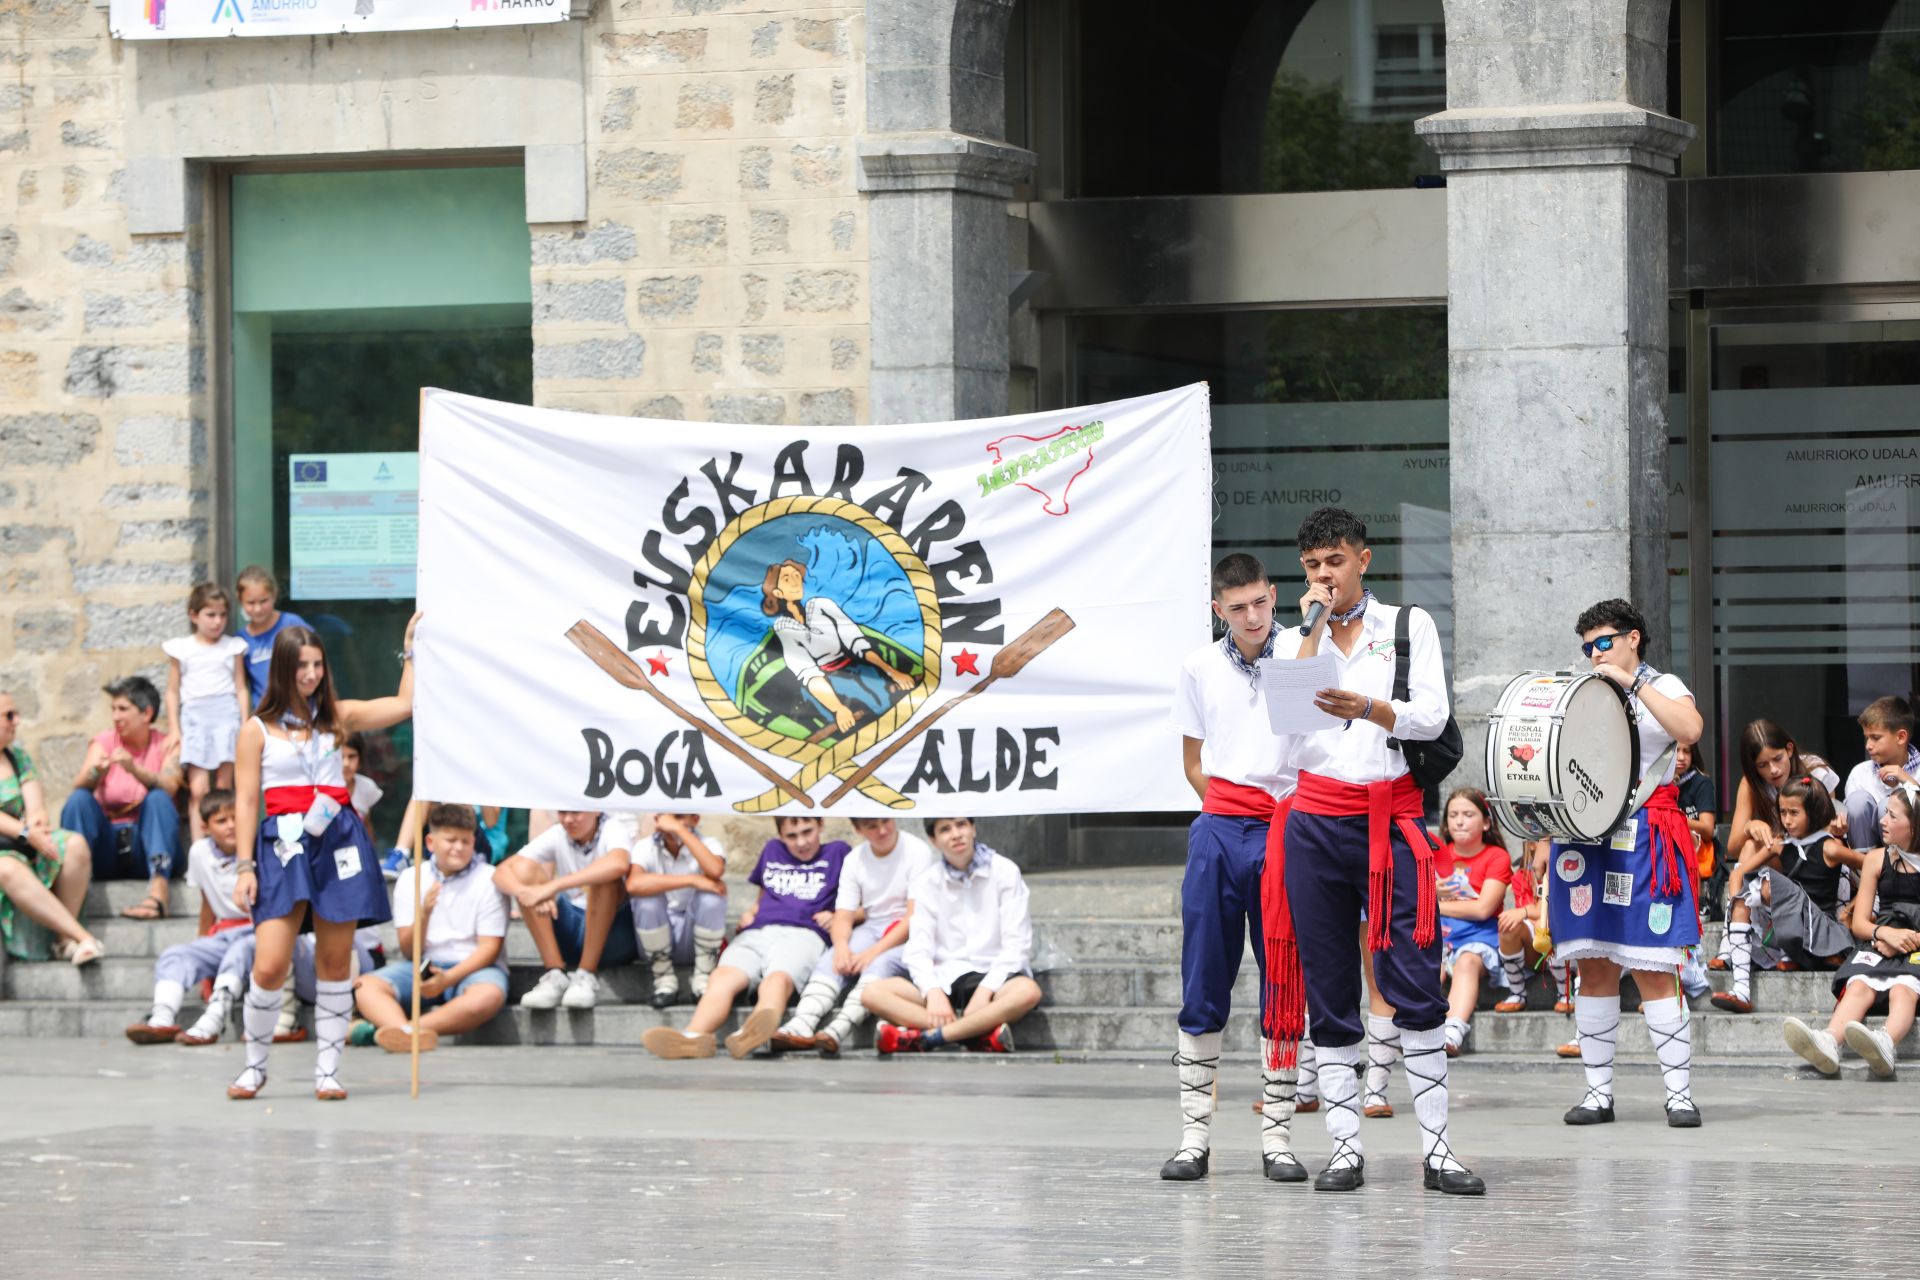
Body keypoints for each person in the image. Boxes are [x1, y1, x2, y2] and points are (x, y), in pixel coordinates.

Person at [1259, 507, 1480, 1196]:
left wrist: (1372, 708)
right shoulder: (1296, 637)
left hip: (1392, 817)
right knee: (1329, 985)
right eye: (1312, 566)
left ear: (1363, 559)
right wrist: (1312, 632)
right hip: (1317, 823)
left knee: (1413, 980)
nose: (1324, 575)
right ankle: (1346, 1150)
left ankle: (1439, 1152)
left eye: (1335, 561)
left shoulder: (1407, 626)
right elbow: (1286, 730)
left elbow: (1434, 718)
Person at [1158, 551, 1310, 1184]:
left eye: (1259, 602)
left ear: (1273, 595)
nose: (1251, 616)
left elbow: (1313, 743)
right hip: (1221, 827)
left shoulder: (1304, 650)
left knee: (1284, 976)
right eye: (1237, 606)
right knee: (1204, 976)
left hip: (1287, 827)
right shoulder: (1198, 666)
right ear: (1217, 608)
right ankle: (1194, 1139)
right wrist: (1226, 805)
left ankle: (1277, 1138)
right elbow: (1193, 760)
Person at [226, 615, 418, 1102]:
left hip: (338, 839)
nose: (310, 674)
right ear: (283, 669)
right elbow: (246, 801)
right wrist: (245, 866)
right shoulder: (257, 730)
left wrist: (410, 649)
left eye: (317, 665)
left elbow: (404, 704)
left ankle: (328, 1070)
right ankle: (255, 1065)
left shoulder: (337, 716)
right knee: (269, 964)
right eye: (301, 666)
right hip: (282, 843)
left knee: (337, 960)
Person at [1546, 599, 1704, 1130]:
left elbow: (1690, 730)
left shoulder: (1666, 684)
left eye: (1604, 642)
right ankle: (1598, 1093)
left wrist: (1634, 685)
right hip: (1586, 835)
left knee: (1654, 965)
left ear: (1633, 638)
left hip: (1644, 834)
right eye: (1588, 646)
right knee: (1594, 966)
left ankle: (1679, 1095)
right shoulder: (1584, 691)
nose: (1595, 653)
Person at [640, 815, 850, 1061]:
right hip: (759, 930)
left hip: (804, 932)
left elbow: (865, 903)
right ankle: (694, 1037)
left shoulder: (838, 853)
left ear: (820, 826)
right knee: (722, 976)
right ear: (781, 836)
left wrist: (840, 916)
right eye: (792, 836)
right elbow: (763, 897)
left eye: (807, 832)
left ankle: (751, 1033)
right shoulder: (773, 850)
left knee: (776, 980)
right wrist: (751, 912)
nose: (801, 842)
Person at [860, 816, 1043, 1056]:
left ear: (973, 829)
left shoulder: (1005, 871)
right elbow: (918, 950)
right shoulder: (926, 882)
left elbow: (1017, 946)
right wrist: (932, 991)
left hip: (994, 977)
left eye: (961, 825)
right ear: (933, 840)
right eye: (945, 829)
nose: (956, 834)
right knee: (872, 993)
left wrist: (986, 990)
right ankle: (974, 1034)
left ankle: (926, 1039)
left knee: (1028, 991)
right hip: (945, 978)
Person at [1783, 784, 1920, 1079]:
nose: (1882, 821)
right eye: (1884, 814)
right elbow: (1859, 923)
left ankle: (1885, 1042)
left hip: (1917, 946)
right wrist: (1884, 935)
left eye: (1893, 817)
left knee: (1904, 988)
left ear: (1914, 826)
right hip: (1880, 938)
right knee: (1858, 984)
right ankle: (1829, 1040)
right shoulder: (1875, 859)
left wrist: (1906, 941)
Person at [771, 814, 937, 1056]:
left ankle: (839, 1028)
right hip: (872, 926)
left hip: (910, 931)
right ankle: (802, 1022)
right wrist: (840, 948)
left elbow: (914, 917)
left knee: (880, 964)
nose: (882, 830)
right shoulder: (855, 859)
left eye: (885, 822)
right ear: (858, 829)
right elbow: (844, 915)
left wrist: (872, 953)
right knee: (832, 960)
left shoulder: (916, 850)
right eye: (872, 826)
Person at [353, 803, 508, 1054]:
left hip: (473, 969)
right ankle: (404, 1033)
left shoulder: (489, 878)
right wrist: (424, 914)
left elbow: (490, 949)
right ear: (430, 841)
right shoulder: (412, 878)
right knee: (365, 986)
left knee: (488, 996)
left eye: (465, 841)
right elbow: (407, 950)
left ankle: (406, 1032)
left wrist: (448, 978)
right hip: (422, 966)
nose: (458, 848)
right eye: (451, 840)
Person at [1713, 776, 1860, 1014]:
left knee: (1769, 882)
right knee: (1743, 898)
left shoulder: (1830, 847)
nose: (1787, 820)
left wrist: (1852, 909)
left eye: (1794, 812)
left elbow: (1873, 866)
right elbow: (1738, 875)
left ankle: (1784, 950)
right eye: (1782, 812)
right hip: (1787, 926)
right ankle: (1741, 989)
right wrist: (1735, 904)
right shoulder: (1781, 845)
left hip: (1818, 933)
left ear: (1813, 812)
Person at [1711, 719, 1842, 972]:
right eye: (1762, 765)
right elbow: (1733, 847)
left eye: (1777, 759)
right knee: (1749, 846)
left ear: (1790, 750)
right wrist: (1752, 826)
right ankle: (1735, 936)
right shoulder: (1751, 784)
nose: (1773, 770)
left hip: (1810, 864)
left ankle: (1737, 942)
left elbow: (1827, 833)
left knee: (1753, 852)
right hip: (1776, 861)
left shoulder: (1814, 773)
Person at [126, 790, 252, 1043]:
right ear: (205, 827)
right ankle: (162, 1017)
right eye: (221, 821)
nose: (230, 826)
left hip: (256, 932)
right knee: (176, 955)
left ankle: (215, 1017)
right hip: (224, 932)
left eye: (234, 818)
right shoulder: (199, 853)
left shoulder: (257, 848)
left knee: (240, 950)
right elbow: (207, 900)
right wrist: (202, 942)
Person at [59, 676, 183, 922]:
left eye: (123, 709)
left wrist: (134, 769)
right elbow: (80, 783)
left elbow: (171, 786)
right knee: (79, 800)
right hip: (108, 848)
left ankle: (158, 896)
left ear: (146, 714)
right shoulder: (104, 741)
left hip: (148, 847)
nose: (115, 716)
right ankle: (70, 901)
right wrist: (97, 772)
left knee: (158, 798)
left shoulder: (167, 744)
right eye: (113, 709)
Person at [496, 809, 642, 1011]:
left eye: (575, 813)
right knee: (524, 870)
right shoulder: (558, 833)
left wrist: (553, 886)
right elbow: (503, 871)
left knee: (604, 878)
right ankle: (554, 975)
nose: (568, 820)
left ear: (596, 811)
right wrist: (528, 893)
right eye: (562, 813)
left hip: (614, 937)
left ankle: (585, 974)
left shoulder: (612, 827)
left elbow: (618, 864)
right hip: (573, 929)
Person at [0, 691, 99, 965]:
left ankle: (63, 940)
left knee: (74, 844)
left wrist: (37, 823)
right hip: (6, 852)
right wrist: (25, 832)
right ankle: (81, 936)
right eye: (8, 715)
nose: (16, 721)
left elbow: (35, 805)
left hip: (22, 842)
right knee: (6, 869)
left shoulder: (17, 757)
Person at [762, 559, 917, 734]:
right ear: (777, 592)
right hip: (824, 685)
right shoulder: (784, 628)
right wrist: (838, 709)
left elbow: (857, 642)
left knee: (886, 702)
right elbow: (807, 672)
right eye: (787, 578)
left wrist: (892, 672)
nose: (795, 581)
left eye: (797, 575)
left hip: (857, 668)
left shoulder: (821, 605)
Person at [162, 582, 250, 844]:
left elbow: (240, 688)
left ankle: (226, 846)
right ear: (194, 616)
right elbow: (172, 691)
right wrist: (175, 729)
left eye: (222, 615)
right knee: (199, 790)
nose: (217, 622)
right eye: (210, 615)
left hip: (226, 715)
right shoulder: (182, 648)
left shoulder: (232, 647)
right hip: (196, 718)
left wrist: (245, 723)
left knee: (224, 788)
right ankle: (200, 849)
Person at [1435, 787, 1518, 1057]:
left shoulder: (1496, 857)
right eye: (1453, 814)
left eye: (1468, 814)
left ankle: (1453, 1030)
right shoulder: (1436, 853)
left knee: (1468, 960)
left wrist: (1436, 903)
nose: (1459, 821)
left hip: (1479, 940)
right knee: (1427, 960)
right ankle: (1420, 1029)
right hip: (1439, 936)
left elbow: (1484, 909)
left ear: (1485, 822)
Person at [626, 812, 728, 1008]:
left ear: (695, 819)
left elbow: (715, 870)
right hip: (657, 938)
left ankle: (703, 979)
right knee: (647, 900)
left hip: (696, 937)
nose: (672, 824)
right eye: (669, 818)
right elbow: (634, 884)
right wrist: (692, 880)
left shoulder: (709, 843)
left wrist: (679, 830)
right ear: (657, 820)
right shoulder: (645, 846)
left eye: (680, 817)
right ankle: (664, 982)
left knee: (712, 897)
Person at [1841, 696, 1917, 855]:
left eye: (1875, 737)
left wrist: (1909, 782)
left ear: (1901, 737)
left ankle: (1896, 872)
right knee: (1857, 801)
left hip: (1911, 861)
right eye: (1867, 738)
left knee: (1887, 807)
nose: (1868, 745)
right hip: (1865, 859)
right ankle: (1864, 872)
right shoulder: (1860, 773)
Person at [236, 565, 309, 708]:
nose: (257, 609)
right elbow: (241, 685)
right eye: (251, 603)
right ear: (240, 600)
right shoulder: (240, 641)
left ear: (274, 595)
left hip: (301, 707)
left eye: (263, 601)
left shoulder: (292, 624)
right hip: (267, 714)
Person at [340, 733, 383, 831]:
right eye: (340, 756)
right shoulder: (319, 789)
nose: (346, 763)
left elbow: (366, 825)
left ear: (360, 758)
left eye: (352, 756)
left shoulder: (367, 787)